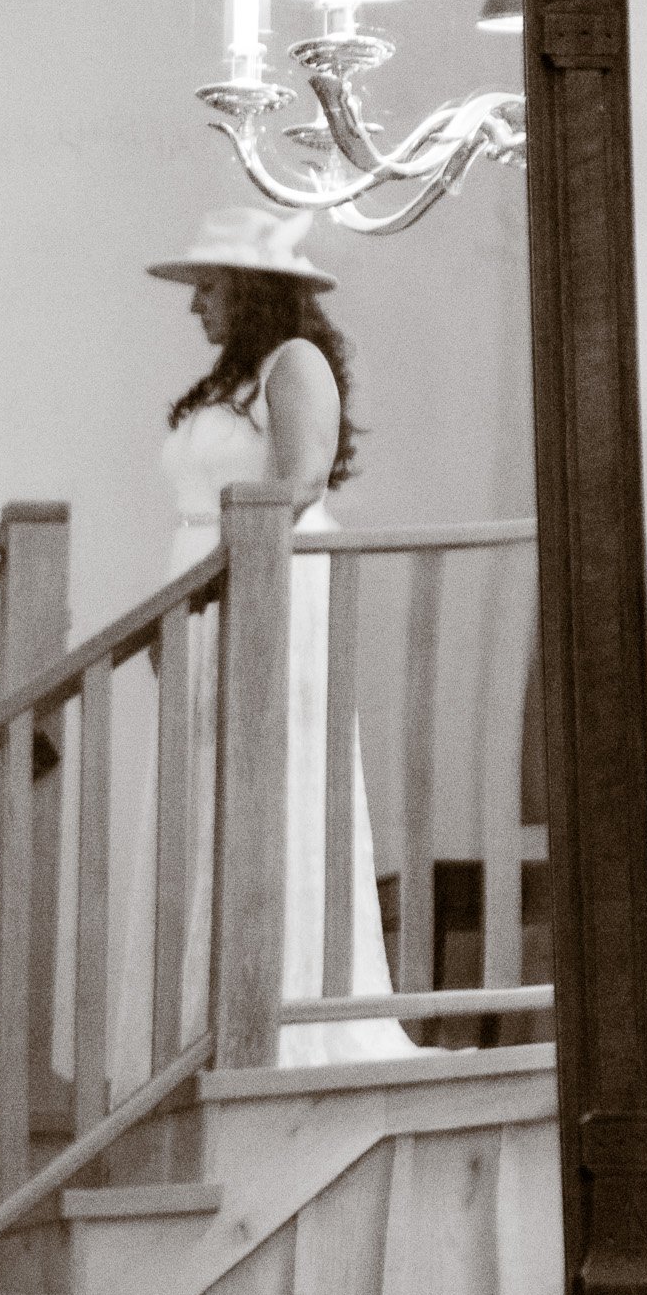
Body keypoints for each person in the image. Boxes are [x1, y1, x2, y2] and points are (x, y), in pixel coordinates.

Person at [108, 207, 416, 1100]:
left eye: (207, 288)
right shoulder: (228, 383)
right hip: (210, 588)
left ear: (249, 293)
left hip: (264, 582)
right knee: (202, 790)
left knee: (270, 777)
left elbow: (299, 478)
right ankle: (193, 1025)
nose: (194, 305)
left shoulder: (294, 362)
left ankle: (280, 1015)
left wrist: (220, 585)